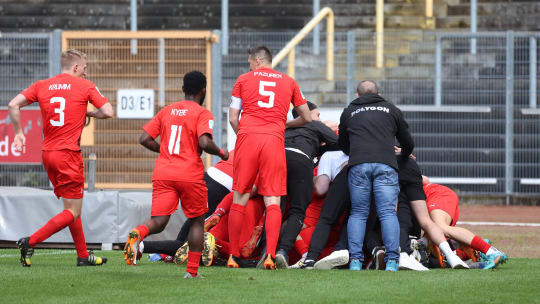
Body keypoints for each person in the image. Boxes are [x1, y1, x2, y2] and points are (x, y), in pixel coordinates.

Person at [9, 49, 114, 267]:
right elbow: (108, 111)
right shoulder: (85, 86)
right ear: (76, 67)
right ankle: (31, 241)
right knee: (73, 211)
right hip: (68, 155)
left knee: (71, 207)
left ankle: (83, 256)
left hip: (48, 154)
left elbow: (13, 104)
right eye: (84, 69)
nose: (85, 73)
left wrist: (19, 133)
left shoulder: (42, 85)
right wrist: (89, 113)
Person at [123, 71, 228, 279]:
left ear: (183, 90)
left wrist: (164, 151)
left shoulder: (167, 111)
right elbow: (205, 143)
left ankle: (139, 233)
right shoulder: (202, 113)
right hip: (189, 173)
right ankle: (192, 272)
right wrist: (223, 153)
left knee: (159, 221)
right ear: (204, 90)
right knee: (197, 221)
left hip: (164, 173)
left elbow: (144, 138)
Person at [227, 45, 312, 269]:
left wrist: (245, 137)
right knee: (273, 199)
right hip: (274, 140)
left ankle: (233, 256)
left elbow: (233, 117)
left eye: (249, 62)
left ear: (256, 60)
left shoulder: (243, 79)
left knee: (240, 197)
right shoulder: (289, 81)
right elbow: (307, 117)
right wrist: (285, 124)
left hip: (248, 139)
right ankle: (270, 256)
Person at [338, 80, 413, 272]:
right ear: (378, 94)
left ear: (357, 96)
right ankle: (392, 262)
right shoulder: (392, 109)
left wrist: (355, 153)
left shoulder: (349, 111)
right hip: (386, 164)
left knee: (358, 213)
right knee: (387, 212)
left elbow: (343, 144)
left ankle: (355, 262)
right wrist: (403, 154)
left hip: (358, 166)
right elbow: (408, 142)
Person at [275, 101, 338, 268]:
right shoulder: (313, 124)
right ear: (307, 114)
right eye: (317, 114)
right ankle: (283, 251)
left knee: (276, 208)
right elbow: (339, 142)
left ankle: (267, 252)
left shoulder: (285, 128)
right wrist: (321, 148)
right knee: (297, 210)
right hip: (301, 159)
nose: (319, 118)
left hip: (278, 160)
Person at [422, 176, 508, 269]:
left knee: (440, 228)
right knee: (431, 249)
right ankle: (474, 250)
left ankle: (492, 252)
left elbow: (425, 180)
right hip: (434, 198)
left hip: (435, 195)